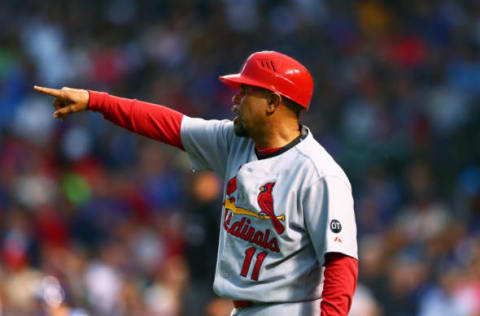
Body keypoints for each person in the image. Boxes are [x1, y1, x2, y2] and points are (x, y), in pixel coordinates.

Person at [34, 50, 358, 316]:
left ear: (273, 103)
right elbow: (168, 124)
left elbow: (341, 265)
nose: (235, 99)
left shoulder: (317, 174)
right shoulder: (235, 141)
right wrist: (95, 101)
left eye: (245, 92)